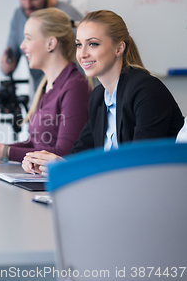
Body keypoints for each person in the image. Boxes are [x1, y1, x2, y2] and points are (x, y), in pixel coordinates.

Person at [23, 10, 184, 174]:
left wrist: (69, 166)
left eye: (93, 44)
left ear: (119, 48)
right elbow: (79, 152)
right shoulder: (99, 96)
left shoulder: (146, 90)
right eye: (79, 44)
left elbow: (139, 164)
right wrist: (43, 162)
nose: (83, 54)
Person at [0, 8, 91, 163]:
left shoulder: (75, 87)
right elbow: (34, 144)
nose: (22, 46)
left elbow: (63, 153)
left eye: (28, 38)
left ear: (51, 43)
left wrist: (6, 152)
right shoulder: (46, 86)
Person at [0, 0, 83, 92]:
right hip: (40, 97)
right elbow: (8, 62)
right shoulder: (19, 15)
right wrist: (7, 63)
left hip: (70, 93)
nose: (27, 5)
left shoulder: (70, 17)